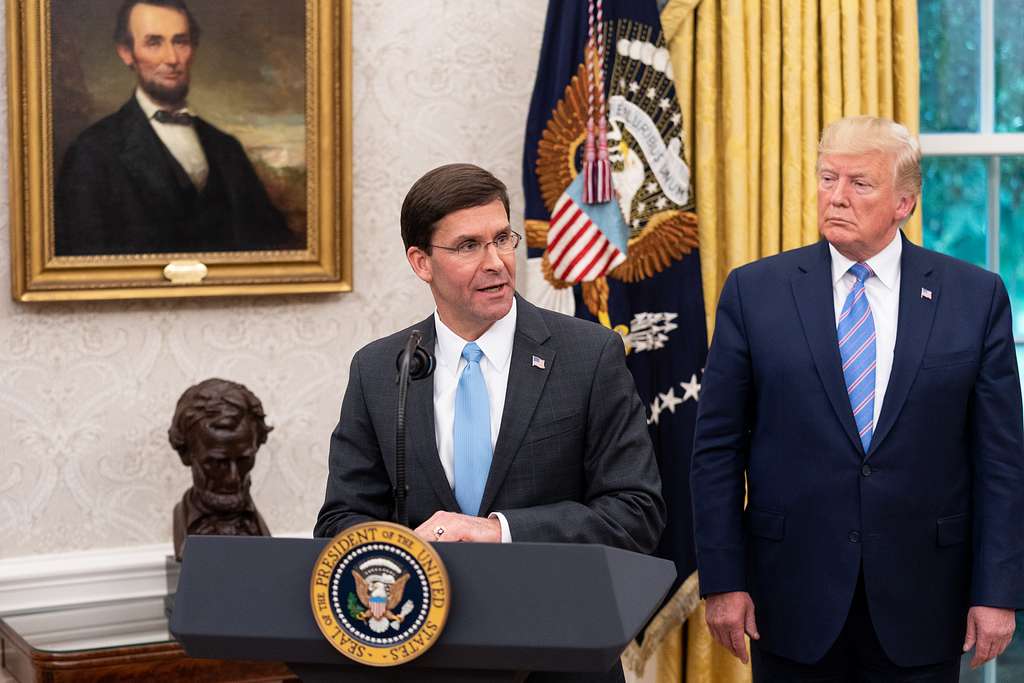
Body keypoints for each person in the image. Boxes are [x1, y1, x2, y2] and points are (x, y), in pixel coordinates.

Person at [691, 116, 1023, 681]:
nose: (835, 197)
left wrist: (998, 590)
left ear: (904, 203)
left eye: (859, 184)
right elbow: (716, 450)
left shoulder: (974, 296)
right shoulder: (755, 292)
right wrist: (724, 580)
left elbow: (1001, 460)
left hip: (924, 599)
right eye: (827, 178)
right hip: (789, 599)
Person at [54, 0, 301, 256]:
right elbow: (79, 262)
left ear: (192, 49)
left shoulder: (226, 148)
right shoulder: (92, 152)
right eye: (154, 43)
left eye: (180, 41)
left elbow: (277, 248)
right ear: (126, 53)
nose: (172, 59)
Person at [168, 378, 272, 561]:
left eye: (244, 460)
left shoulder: (258, 528)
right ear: (185, 454)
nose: (233, 478)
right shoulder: (184, 524)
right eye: (217, 463)